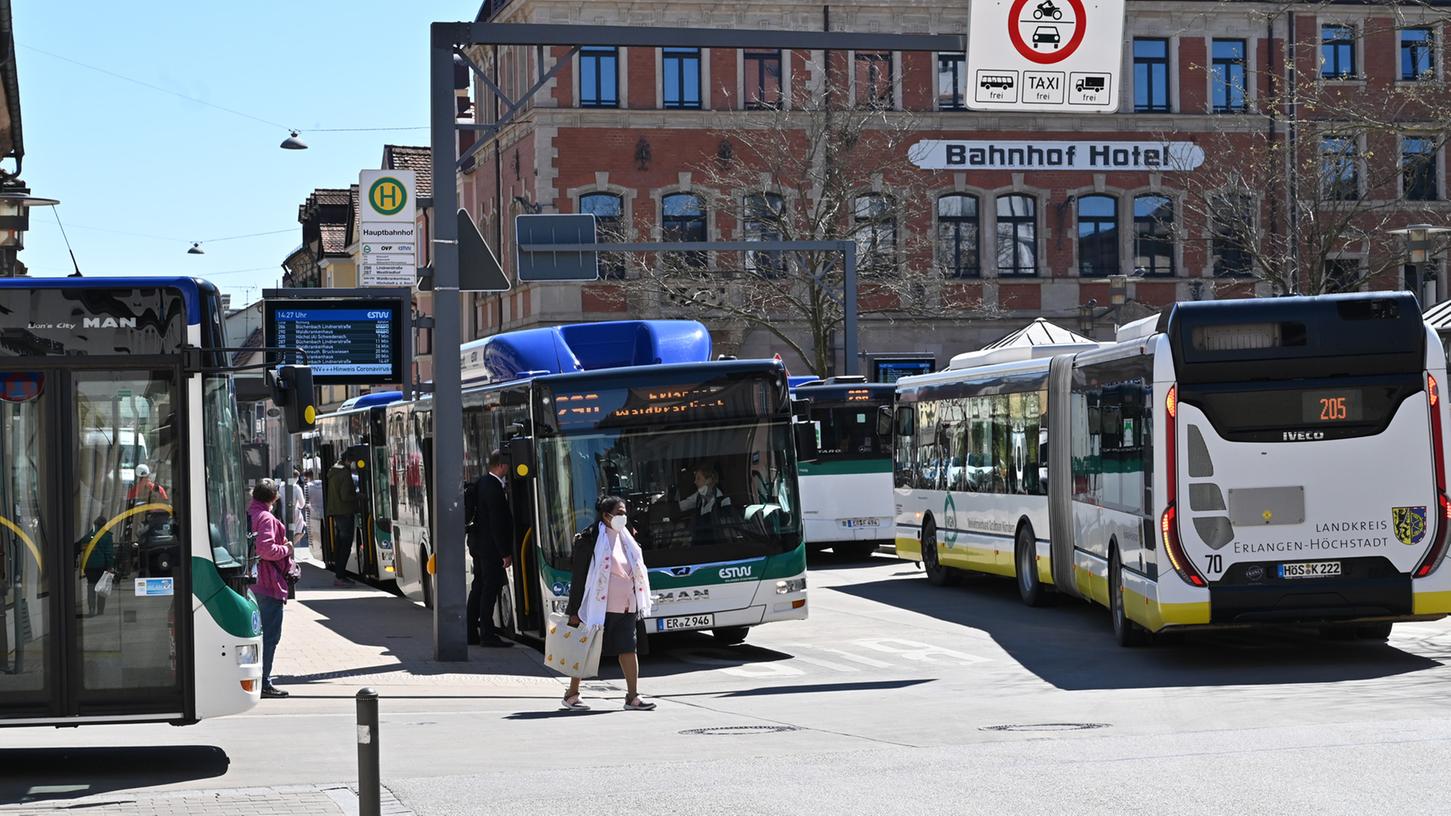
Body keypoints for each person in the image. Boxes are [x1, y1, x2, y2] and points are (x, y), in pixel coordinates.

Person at [561, 496, 656, 712]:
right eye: (620, 513)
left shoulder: (627, 538)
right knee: (586, 649)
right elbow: (580, 577)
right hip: (598, 607)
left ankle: (632, 697)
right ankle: (572, 694)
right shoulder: (589, 540)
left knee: (628, 649)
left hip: (627, 606)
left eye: (625, 513)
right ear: (606, 515)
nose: (624, 517)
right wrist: (574, 610)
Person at [249, 479, 294, 699]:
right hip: (268, 584)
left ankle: (257, 678)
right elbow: (266, 549)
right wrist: (286, 549)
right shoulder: (266, 517)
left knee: (257, 634)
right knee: (270, 636)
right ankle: (264, 681)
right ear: (274, 498)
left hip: (254, 582)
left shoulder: (250, 513)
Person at [467, 450, 515, 647]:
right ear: (502, 465)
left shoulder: (482, 482)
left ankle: (470, 632)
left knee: (478, 587)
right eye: (508, 465)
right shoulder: (494, 488)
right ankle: (487, 633)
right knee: (489, 588)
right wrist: (504, 552)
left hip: (478, 545)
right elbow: (496, 523)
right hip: (490, 549)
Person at [677, 463, 732, 545]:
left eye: (698, 479)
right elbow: (682, 506)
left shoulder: (724, 502)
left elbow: (726, 531)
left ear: (709, 480)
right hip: (699, 545)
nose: (695, 482)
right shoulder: (699, 497)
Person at [325, 459, 358, 587]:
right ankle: (340, 576)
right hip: (345, 513)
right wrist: (359, 496)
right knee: (345, 546)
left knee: (340, 545)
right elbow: (345, 496)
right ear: (347, 461)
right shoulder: (345, 474)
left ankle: (339, 575)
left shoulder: (333, 473)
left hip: (337, 513)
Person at [78, 516, 114, 617]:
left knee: (91, 586)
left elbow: (82, 545)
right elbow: (109, 553)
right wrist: (110, 566)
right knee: (102, 588)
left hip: (89, 566)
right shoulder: (107, 536)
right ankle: (100, 609)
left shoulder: (89, 535)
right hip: (101, 566)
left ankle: (91, 609)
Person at [286, 468, 308, 550]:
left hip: (282, 514)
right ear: (296, 478)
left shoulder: (281, 486)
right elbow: (302, 504)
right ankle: (293, 547)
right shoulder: (297, 488)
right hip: (294, 513)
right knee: (301, 530)